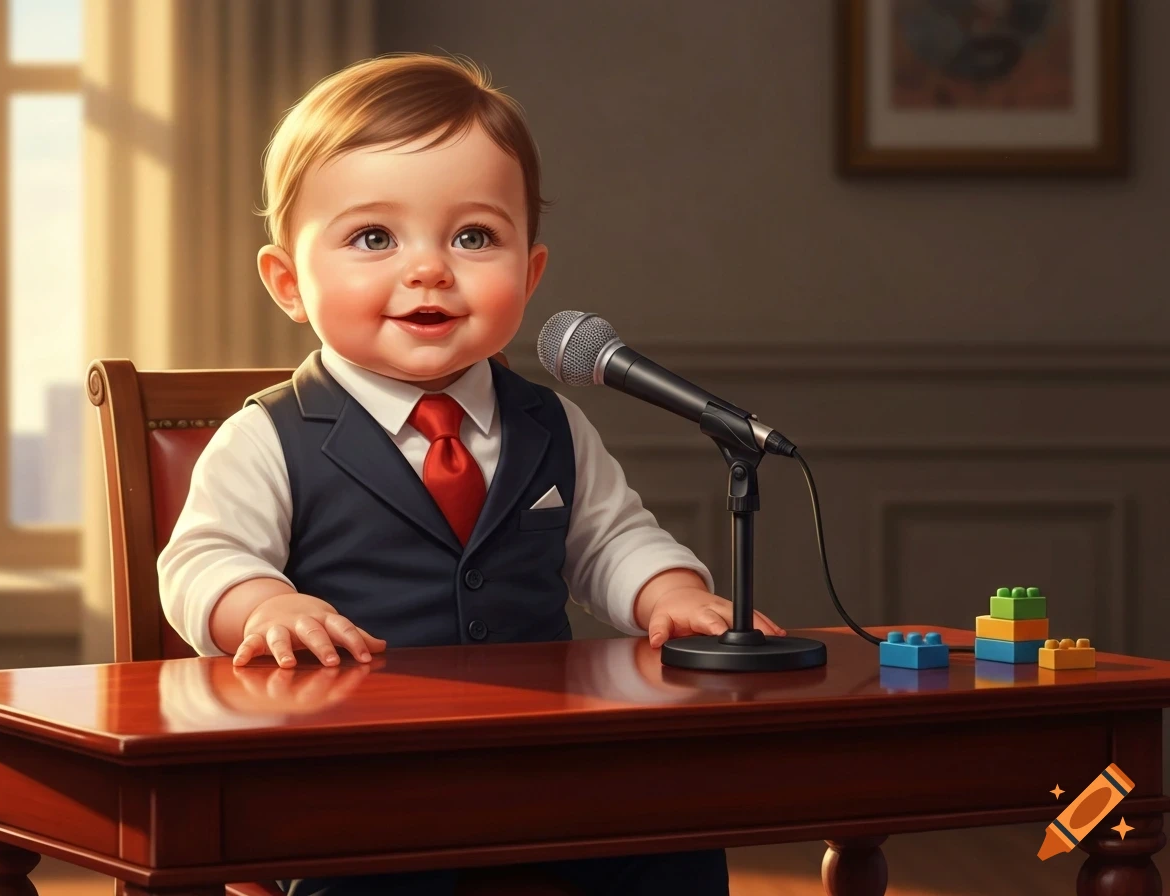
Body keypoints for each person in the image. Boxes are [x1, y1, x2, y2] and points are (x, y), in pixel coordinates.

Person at [158, 51, 783, 896]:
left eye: (473, 236)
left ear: (529, 274)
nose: (429, 269)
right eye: (373, 237)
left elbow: (609, 538)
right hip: (351, 771)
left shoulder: (549, 423)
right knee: (370, 874)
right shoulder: (267, 437)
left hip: (538, 764)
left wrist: (666, 590)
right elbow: (201, 559)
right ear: (287, 282)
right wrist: (264, 605)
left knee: (669, 839)